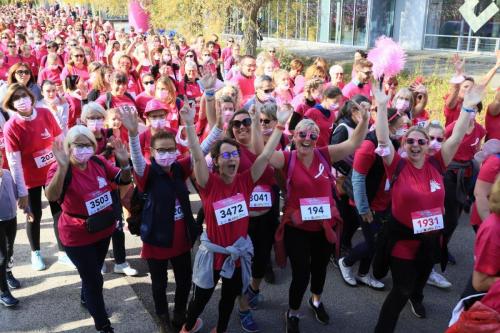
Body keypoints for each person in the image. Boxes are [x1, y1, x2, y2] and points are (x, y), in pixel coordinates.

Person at [372, 81, 483, 333]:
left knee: (417, 284)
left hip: (431, 240)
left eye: (421, 142)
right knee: (401, 289)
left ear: (427, 146)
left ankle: (417, 297)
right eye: (410, 141)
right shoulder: (396, 166)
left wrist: (467, 107)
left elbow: (456, 138)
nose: (415, 145)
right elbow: (381, 137)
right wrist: (381, 106)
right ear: (403, 144)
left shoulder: (437, 164)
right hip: (402, 241)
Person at [180, 101, 292, 333]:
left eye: (234, 154)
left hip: (237, 256)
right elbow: (198, 158)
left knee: (228, 300)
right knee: (200, 300)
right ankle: (188, 327)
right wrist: (190, 124)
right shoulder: (208, 183)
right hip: (212, 254)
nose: (231, 158)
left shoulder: (246, 180)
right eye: (225, 155)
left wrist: (281, 125)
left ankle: (220, 329)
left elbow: (267, 153)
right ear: (218, 161)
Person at [121, 99, 222, 330]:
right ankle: (162, 316)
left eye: (171, 149)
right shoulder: (146, 174)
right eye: (161, 150)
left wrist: (202, 124)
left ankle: (179, 313)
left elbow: (204, 147)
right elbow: (136, 159)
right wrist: (133, 134)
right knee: (159, 283)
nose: (167, 154)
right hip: (157, 240)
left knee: (185, 281)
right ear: (152, 152)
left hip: (182, 240)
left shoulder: (180, 167)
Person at [269, 104, 369, 333]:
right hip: (297, 228)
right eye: (302, 134)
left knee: (320, 269)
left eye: (313, 135)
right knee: (302, 273)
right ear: (294, 137)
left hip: (324, 227)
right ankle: (292, 313)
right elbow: (259, 152)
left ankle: (316, 301)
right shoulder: (287, 158)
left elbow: (354, 143)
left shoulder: (324, 153)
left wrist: (365, 120)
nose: (308, 138)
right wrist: (275, 125)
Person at [45, 125, 131, 333]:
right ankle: (103, 325)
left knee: (92, 272)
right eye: (78, 145)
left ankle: (86, 296)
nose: (83, 149)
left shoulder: (98, 161)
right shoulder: (59, 168)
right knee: (94, 279)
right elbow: (51, 195)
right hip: (77, 234)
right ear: (68, 147)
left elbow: (123, 180)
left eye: (87, 145)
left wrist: (125, 162)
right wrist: (63, 167)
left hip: (103, 228)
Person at [3, 83, 68, 270]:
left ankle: (63, 252)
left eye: (24, 96)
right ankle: (36, 253)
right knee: (34, 215)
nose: (21, 100)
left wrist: (63, 169)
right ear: (11, 103)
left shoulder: (46, 113)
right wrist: (21, 191)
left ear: (31, 97)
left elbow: (60, 140)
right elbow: (14, 162)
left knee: (59, 212)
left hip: (52, 173)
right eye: (16, 98)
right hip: (29, 179)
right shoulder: (11, 127)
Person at [339, 107, 404, 290]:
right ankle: (346, 262)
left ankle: (363, 274)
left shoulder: (394, 142)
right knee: (373, 241)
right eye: (399, 127)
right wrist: (363, 208)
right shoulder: (368, 146)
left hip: (383, 200)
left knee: (377, 239)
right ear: (387, 126)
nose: (402, 131)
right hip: (367, 202)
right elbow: (358, 179)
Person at [0, 149, 26, 307]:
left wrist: (27, 209)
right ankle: (4, 292)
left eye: (0, 157)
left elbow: (16, 193)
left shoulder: (8, 174)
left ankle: (8, 273)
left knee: (10, 249)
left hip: (12, 218)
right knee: (1, 256)